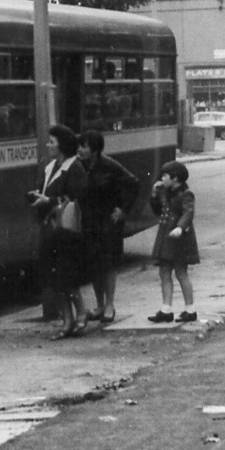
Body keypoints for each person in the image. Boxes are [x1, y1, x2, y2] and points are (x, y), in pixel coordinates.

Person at [29, 124, 89, 340]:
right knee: (53, 277)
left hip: (67, 231)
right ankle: (67, 319)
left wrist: (51, 200)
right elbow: (48, 191)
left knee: (67, 275)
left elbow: (78, 196)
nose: (48, 145)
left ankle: (81, 313)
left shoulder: (75, 168)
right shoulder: (50, 167)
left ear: (62, 145)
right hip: (50, 229)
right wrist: (39, 196)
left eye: (52, 142)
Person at [77, 129, 139, 325]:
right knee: (94, 264)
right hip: (89, 220)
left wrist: (123, 210)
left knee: (108, 263)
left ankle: (110, 305)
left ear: (94, 150)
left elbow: (133, 183)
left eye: (84, 146)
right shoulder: (80, 166)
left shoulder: (109, 165)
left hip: (108, 221)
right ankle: (99, 305)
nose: (80, 150)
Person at [148, 160, 199, 323]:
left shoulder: (186, 194)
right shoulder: (165, 192)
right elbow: (158, 211)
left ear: (175, 178)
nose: (162, 178)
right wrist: (154, 195)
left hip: (179, 238)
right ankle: (166, 309)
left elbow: (188, 212)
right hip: (166, 235)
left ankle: (190, 309)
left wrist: (180, 227)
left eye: (165, 175)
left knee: (180, 272)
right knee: (164, 271)